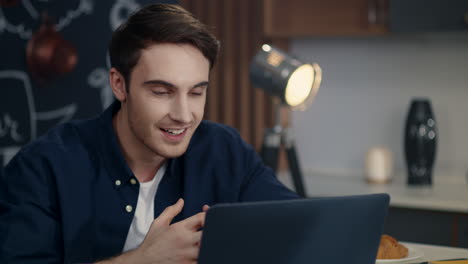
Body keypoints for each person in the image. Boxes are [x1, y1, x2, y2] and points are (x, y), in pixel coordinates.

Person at [0, 3, 298, 264]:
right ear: (119, 85)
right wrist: (144, 260)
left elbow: (301, 228)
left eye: (196, 93)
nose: (183, 114)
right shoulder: (43, 167)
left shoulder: (225, 151)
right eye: (161, 91)